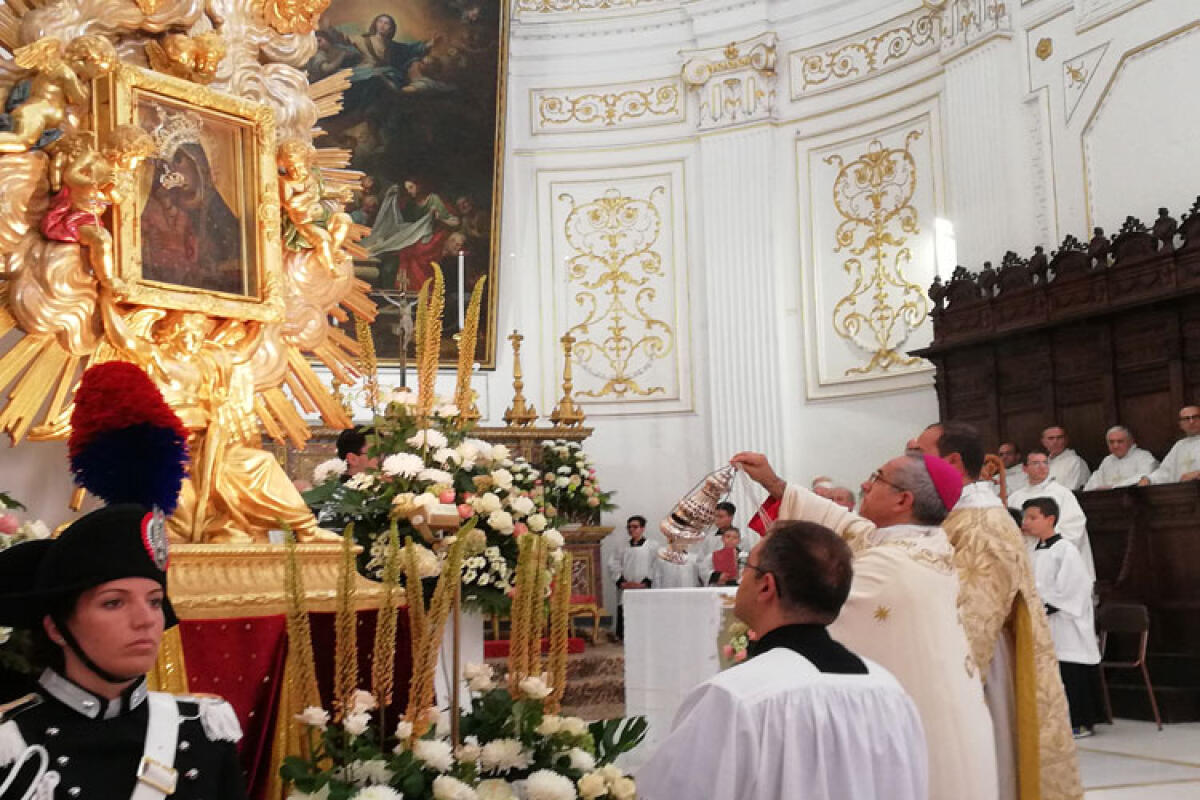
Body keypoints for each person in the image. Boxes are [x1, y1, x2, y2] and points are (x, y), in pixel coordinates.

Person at [733, 451, 998, 800]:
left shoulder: (888, 569)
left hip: (924, 738)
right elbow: (849, 527)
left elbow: (801, 623)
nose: (865, 484)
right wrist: (775, 484)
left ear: (903, 500)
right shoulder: (922, 542)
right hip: (953, 725)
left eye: (878, 477)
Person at [636, 521, 928, 800]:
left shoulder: (738, 696)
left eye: (747, 567)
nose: (741, 577)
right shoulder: (889, 691)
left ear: (766, 587)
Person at [0, 505, 247, 798]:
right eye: (113, 603)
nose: (145, 620)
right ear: (56, 629)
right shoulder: (12, 744)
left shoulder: (203, 732)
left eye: (154, 602)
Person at [911, 422, 1082, 800]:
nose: (913, 464)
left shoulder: (981, 521)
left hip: (979, 668)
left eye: (920, 455)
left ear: (952, 461)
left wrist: (939, 687)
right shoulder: (957, 513)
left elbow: (975, 620)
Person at [1021, 498, 1104, 739]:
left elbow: (1076, 587)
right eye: (1026, 517)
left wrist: (1049, 606)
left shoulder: (1065, 550)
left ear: (1050, 519)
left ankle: (1080, 721)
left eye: (1033, 517)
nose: (1027, 522)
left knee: (1071, 670)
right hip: (1043, 621)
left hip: (1066, 621)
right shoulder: (1032, 551)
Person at [1008, 449, 1094, 581]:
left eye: (1045, 463)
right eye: (1036, 463)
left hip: (1053, 555)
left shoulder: (1062, 494)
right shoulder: (1015, 497)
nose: (1042, 467)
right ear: (1025, 468)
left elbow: (1075, 526)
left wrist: (1042, 532)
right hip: (1025, 555)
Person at [610, 515, 655, 641]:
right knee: (626, 613)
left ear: (642, 528)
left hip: (644, 588)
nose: (631, 530)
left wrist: (646, 582)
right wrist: (621, 581)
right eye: (629, 527)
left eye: (635, 527)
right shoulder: (622, 547)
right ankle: (625, 638)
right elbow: (614, 564)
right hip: (627, 587)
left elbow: (655, 565)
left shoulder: (651, 546)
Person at [1083, 426, 1158, 490]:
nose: (1115, 446)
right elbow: (1092, 483)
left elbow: (1145, 477)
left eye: (1120, 441)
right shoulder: (1107, 460)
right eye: (1111, 442)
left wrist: (1114, 487)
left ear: (1130, 442)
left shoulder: (1143, 456)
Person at [1145, 405, 1200, 484]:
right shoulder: (1179, 445)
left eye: (1195, 417)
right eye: (1186, 419)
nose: (1191, 422)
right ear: (1181, 425)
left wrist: (1198, 474)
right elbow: (1165, 471)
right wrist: (1149, 479)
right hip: (1183, 492)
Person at [1042, 426, 1091, 491]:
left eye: (1059, 438)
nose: (1055, 441)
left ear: (1066, 440)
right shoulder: (1042, 464)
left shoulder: (1075, 462)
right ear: (1044, 442)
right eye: (1051, 438)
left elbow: (1072, 490)